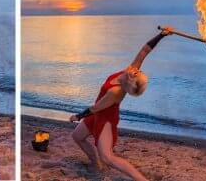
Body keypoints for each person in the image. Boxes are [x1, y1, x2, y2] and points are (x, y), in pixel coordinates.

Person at [69, 27, 174, 181]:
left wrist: (78, 116)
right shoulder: (128, 73)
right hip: (97, 113)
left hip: (105, 119)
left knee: (108, 157)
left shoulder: (116, 92)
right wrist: (162, 35)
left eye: (136, 72)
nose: (135, 68)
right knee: (77, 136)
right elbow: (145, 51)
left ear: (130, 79)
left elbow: (95, 108)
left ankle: (141, 179)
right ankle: (96, 164)